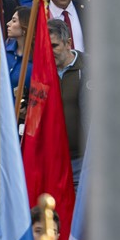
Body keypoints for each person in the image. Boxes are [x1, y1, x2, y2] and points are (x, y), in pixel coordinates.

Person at [47, 19, 88, 186]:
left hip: (82, 160)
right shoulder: (40, 71)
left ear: (68, 43)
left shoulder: (89, 67)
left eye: (54, 45)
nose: (50, 51)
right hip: (52, 161)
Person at [5, 7, 33, 93]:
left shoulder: (37, 60)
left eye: (14, 21)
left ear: (25, 27)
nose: (7, 24)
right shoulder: (4, 51)